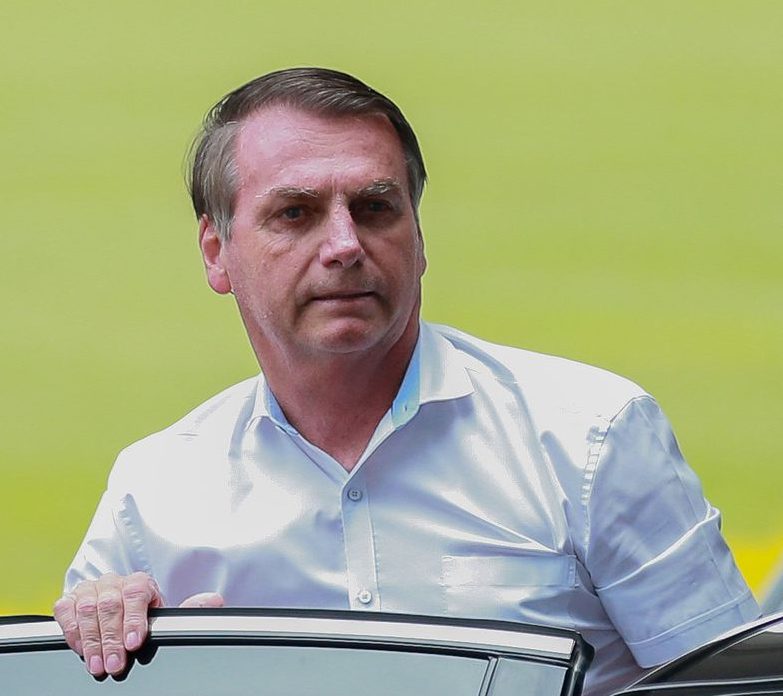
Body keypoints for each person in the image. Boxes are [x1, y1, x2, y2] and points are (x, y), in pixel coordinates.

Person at [53, 67, 759, 695]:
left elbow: (738, 690)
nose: (344, 246)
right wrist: (130, 656)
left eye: (375, 208)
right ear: (217, 252)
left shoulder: (590, 439)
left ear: (418, 237)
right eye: (295, 213)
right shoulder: (153, 495)